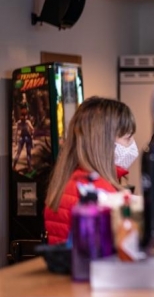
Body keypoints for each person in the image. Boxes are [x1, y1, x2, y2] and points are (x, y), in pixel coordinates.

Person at [45, 97, 138, 245]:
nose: (133, 145)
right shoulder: (98, 191)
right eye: (128, 138)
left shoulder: (70, 180)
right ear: (104, 142)